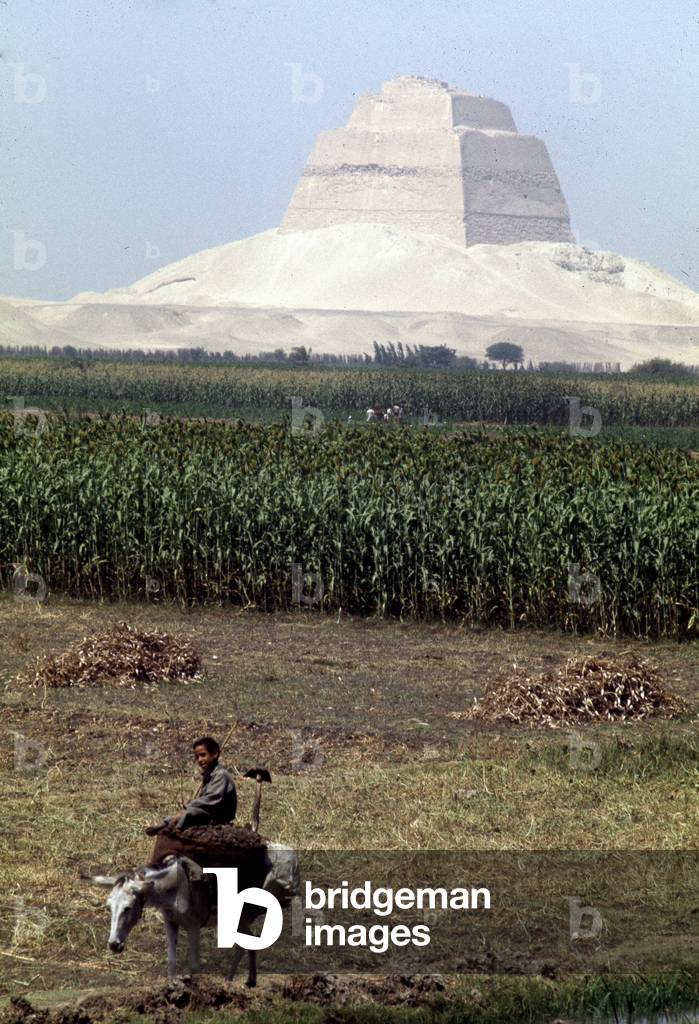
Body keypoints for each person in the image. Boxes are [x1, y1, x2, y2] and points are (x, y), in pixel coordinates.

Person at [165, 736, 237, 830]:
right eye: (197, 757)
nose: (199, 760)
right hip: (209, 814)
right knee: (174, 817)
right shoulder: (209, 775)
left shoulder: (221, 775)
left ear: (214, 754)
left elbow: (211, 798)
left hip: (218, 818)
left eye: (203, 755)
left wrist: (190, 805)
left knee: (189, 813)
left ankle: (177, 830)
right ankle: (165, 824)